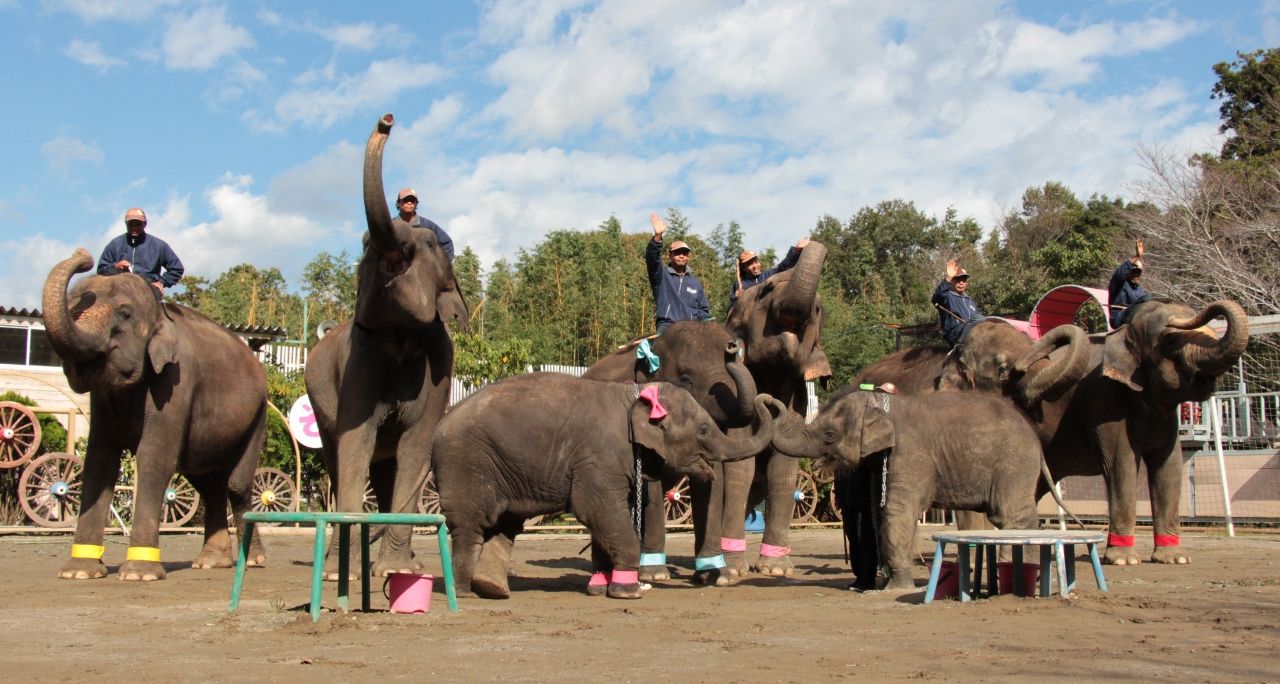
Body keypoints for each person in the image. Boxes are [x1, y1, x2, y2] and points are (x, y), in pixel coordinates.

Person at [834, 382, 896, 591]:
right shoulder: (848, 431)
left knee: (866, 536)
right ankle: (860, 575)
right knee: (854, 535)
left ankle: (868, 577)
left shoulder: (880, 427)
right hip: (848, 494)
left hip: (864, 496)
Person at [97, 207, 184, 301]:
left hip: (148, 292)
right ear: (126, 224)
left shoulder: (159, 246)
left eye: (138, 224)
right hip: (119, 292)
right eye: (131, 224)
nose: (134, 227)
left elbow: (177, 268)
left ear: (145, 224)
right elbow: (101, 269)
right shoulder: (115, 244)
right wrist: (115, 267)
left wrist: (161, 282)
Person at [646, 213, 710, 333]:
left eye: (685, 253)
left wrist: (707, 325)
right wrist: (658, 236)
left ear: (688, 257)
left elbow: (703, 310)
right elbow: (652, 259)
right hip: (667, 327)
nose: (681, 256)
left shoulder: (695, 283)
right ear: (669, 255)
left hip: (692, 330)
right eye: (677, 252)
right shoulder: (661, 276)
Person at [728, 237, 811, 309]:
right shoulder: (740, 285)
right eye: (750, 264)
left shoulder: (767, 275)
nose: (755, 266)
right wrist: (737, 298)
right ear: (744, 268)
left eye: (756, 262)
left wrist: (796, 250)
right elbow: (732, 310)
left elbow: (783, 267)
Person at [931, 259, 982, 347]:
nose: (961, 282)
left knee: (983, 319)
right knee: (978, 319)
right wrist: (949, 278)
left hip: (972, 334)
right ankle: (960, 346)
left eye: (964, 279)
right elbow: (937, 298)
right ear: (952, 282)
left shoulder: (970, 301)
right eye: (957, 279)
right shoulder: (947, 297)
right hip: (954, 334)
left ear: (967, 283)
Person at [395, 188, 454, 261]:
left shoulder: (427, 225)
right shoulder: (391, 226)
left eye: (412, 200)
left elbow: (447, 243)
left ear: (416, 204)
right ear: (398, 203)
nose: (409, 202)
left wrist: (440, 267)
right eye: (406, 200)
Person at [1107, 239, 1150, 329]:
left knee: (1151, 300)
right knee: (1146, 299)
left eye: (1138, 272)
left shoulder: (1140, 290)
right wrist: (1137, 256)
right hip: (1118, 318)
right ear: (1128, 272)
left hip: (1136, 317)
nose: (1136, 275)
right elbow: (1120, 272)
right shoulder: (1119, 283)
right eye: (1133, 272)